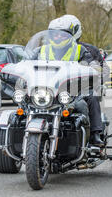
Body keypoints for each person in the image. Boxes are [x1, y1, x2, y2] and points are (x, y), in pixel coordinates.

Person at [41, 15, 105, 146]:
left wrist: (92, 70)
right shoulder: (41, 50)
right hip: (47, 91)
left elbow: (94, 67)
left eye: (62, 35)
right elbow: (26, 63)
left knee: (91, 96)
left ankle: (95, 134)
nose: (58, 38)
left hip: (75, 91)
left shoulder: (81, 50)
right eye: (55, 35)